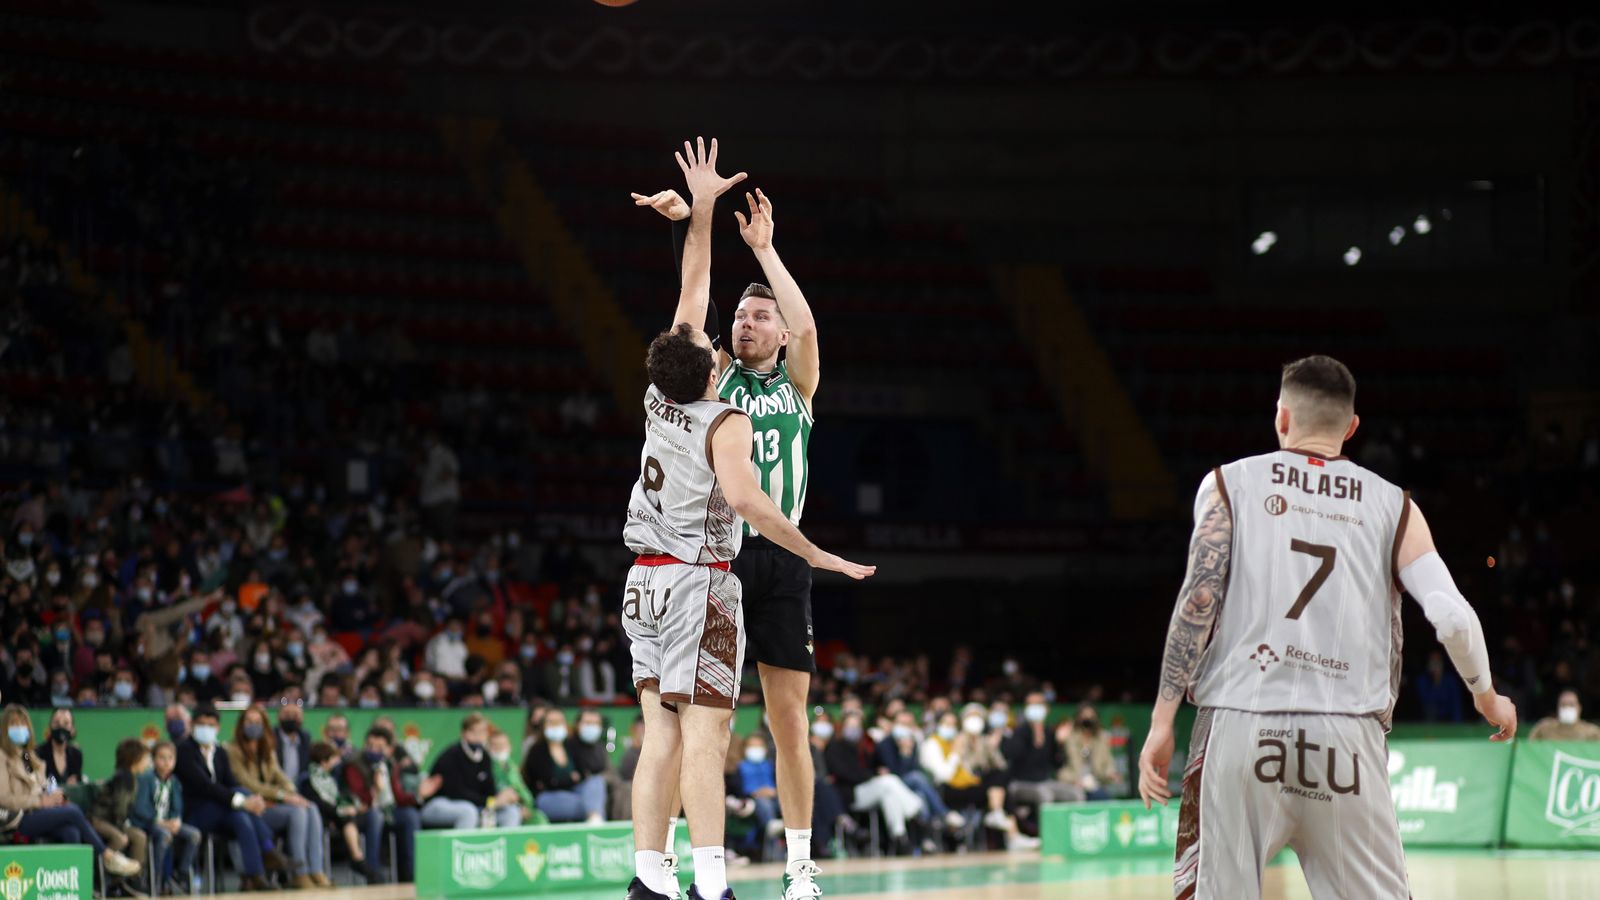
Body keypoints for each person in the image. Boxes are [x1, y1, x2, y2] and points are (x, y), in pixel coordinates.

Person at [1136, 355, 1518, 899]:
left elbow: (1197, 601)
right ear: (1352, 427)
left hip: (1239, 727)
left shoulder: (1228, 483)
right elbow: (1453, 615)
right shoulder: (1394, 506)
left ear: (1282, 418)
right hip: (1347, 740)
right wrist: (1487, 696)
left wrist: (1161, 721)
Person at [624, 137, 874, 900]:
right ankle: (678, 871)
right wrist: (689, 226)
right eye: (741, 315)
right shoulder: (715, 382)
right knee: (703, 727)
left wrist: (764, 253)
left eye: (760, 316)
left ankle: (799, 868)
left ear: (779, 331)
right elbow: (691, 298)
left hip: (771, 560)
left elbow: (791, 325)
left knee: (784, 721)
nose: (748, 322)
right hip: (722, 556)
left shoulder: (795, 383)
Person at [0, 704, 142, 876]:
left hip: (39, 811)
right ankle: (108, 856)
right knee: (73, 812)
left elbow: (42, 784)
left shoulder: (29, 755)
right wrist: (41, 800)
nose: (20, 729)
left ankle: (74, 885)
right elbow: (5, 798)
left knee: (71, 831)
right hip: (17, 817)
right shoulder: (7, 756)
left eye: (23, 725)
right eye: (14, 725)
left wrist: (55, 795)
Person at [175, 703, 289, 892]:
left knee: (241, 818)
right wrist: (243, 801)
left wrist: (245, 801)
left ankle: (255, 876)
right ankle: (268, 849)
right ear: (193, 725)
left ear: (218, 728)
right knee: (242, 800)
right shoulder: (184, 750)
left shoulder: (219, 752)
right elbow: (205, 786)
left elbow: (231, 782)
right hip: (195, 814)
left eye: (211, 725)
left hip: (221, 811)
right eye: (201, 724)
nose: (206, 729)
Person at [225, 704, 330, 888]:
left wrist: (291, 793)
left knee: (310, 807)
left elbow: (280, 776)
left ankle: (316, 870)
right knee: (297, 812)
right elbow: (247, 783)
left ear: (265, 725)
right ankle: (300, 873)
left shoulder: (267, 748)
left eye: (258, 722)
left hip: (270, 803)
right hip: (253, 807)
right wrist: (282, 796)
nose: (253, 725)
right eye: (249, 721)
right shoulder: (231, 749)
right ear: (241, 724)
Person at [920, 710, 1034, 850]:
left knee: (999, 777)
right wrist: (956, 753)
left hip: (966, 786)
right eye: (946, 723)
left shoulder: (959, 741)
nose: (950, 727)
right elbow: (944, 776)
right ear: (938, 725)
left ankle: (1001, 819)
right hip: (946, 791)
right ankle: (1010, 833)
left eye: (953, 724)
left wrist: (987, 746)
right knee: (997, 786)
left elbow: (982, 768)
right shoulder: (931, 745)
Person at [822, 711, 924, 856]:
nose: (854, 729)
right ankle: (915, 811)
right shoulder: (834, 746)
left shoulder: (866, 745)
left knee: (889, 794)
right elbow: (843, 772)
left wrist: (879, 770)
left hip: (871, 788)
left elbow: (878, 764)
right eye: (850, 725)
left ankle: (899, 838)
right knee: (889, 781)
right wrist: (873, 775)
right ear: (842, 726)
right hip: (851, 793)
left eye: (857, 726)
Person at [344, 725, 421, 883]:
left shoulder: (390, 765)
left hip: (388, 809)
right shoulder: (354, 765)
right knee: (375, 816)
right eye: (370, 745)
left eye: (380, 747)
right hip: (363, 813)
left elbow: (397, 796)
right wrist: (375, 789)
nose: (374, 750)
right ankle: (373, 872)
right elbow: (358, 798)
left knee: (410, 815)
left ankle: (412, 874)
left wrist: (418, 795)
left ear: (389, 749)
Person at [419, 713, 519, 829]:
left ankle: (502, 846)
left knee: (511, 812)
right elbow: (457, 793)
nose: (479, 736)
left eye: (482, 732)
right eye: (474, 732)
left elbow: (489, 791)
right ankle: (464, 847)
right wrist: (491, 802)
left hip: (477, 806)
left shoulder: (485, 757)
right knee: (468, 812)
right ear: (464, 733)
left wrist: (502, 798)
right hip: (440, 804)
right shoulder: (451, 755)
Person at [301, 741, 381, 883]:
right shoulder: (309, 780)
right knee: (347, 818)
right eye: (333, 759)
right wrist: (341, 811)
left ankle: (362, 860)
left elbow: (339, 797)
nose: (336, 762)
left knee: (367, 816)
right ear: (324, 762)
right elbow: (320, 804)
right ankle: (357, 857)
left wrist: (353, 806)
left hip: (336, 815)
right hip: (323, 818)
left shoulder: (328, 779)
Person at [132, 741, 202, 896]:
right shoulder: (146, 778)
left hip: (168, 823)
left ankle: (181, 874)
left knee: (194, 835)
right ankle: (156, 879)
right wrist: (160, 822)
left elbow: (177, 806)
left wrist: (176, 820)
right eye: (162, 758)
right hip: (149, 823)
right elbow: (140, 808)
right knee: (164, 836)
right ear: (153, 759)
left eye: (170, 758)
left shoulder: (174, 781)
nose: (166, 762)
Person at [878, 711, 964, 833]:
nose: (904, 727)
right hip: (893, 787)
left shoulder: (912, 743)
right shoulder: (885, 744)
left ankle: (926, 836)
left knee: (921, 795)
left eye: (908, 724)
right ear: (893, 724)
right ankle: (944, 813)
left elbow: (916, 767)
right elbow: (894, 773)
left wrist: (907, 752)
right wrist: (904, 754)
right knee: (917, 777)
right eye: (901, 723)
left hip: (913, 786)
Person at [523, 709, 606, 824]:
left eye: (559, 721)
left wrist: (566, 780)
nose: (556, 725)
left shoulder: (571, 745)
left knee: (596, 781)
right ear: (543, 726)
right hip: (548, 798)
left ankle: (594, 818)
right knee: (590, 803)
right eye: (551, 722)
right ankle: (595, 816)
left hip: (574, 792)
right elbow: (548, 783)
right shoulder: (537, 751)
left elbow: (583, 774)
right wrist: (570, 779)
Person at [89, 739, 151, 885]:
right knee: (119, 838)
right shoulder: (124, 778)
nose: (148, 762)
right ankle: (100, 878)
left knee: (139, 837)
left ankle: (131, 880)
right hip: (98, 820)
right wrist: (121, 828)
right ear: (134, 759)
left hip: (114, 822)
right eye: (145, 758)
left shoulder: (133, 778)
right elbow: (119, 807)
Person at [1058, 705, 1118, 802]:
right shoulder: (1069, 737)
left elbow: (1108, 763)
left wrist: (1110, 774)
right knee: (1080, 796)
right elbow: (1060, 766)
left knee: (1102, 796)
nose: (1087, 720)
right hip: (1072, 782)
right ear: (1078, 718)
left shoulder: (1101, 737)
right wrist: (1073, 781)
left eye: (1091, 717)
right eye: (1084, 717)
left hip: (1096, 783)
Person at [736, 733, 781, 857]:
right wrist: (755, 793)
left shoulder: (771, 765)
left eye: (759, 746)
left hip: (774, 797)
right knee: (763, 803)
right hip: (753, 800)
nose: (756, 750)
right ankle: (772, 825)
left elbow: (780, 784)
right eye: (752, 746)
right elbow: (738, 789)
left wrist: (774, 791)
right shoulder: (740, 767)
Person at [486, 729, 532, 824]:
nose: (499, 749)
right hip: (490, 810)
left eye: (502, 745)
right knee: (512, 813)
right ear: (488, 748)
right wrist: (496, 802)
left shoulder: (512, 768)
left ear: (510, 747)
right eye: (495, 745)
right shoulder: (484, 768)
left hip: (516, 807)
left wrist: (525, 805)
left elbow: (523, 792)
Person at [1529, 690, 1600, 741]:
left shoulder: (1592, 732)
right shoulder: (1543, 729)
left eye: (1571, 704)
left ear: (1579, 708)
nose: (1567, 708)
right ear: (1557, 708)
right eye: (1563, 705)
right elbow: (1529, 749)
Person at [38, 707, 83, 786]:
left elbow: (78, 784)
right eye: (57, 723)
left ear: (72, 729)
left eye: (66, 723)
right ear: (50, 727)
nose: (61, 727)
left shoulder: (76, 755)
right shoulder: (38, 753)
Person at [275, 701, 311, 786]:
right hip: (276, 787)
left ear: (302, 718)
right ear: (278, 716)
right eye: (287, 715)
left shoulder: (305, 739)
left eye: (295, 715)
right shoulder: (270, 738)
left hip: (300, 789)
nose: (291, 718)